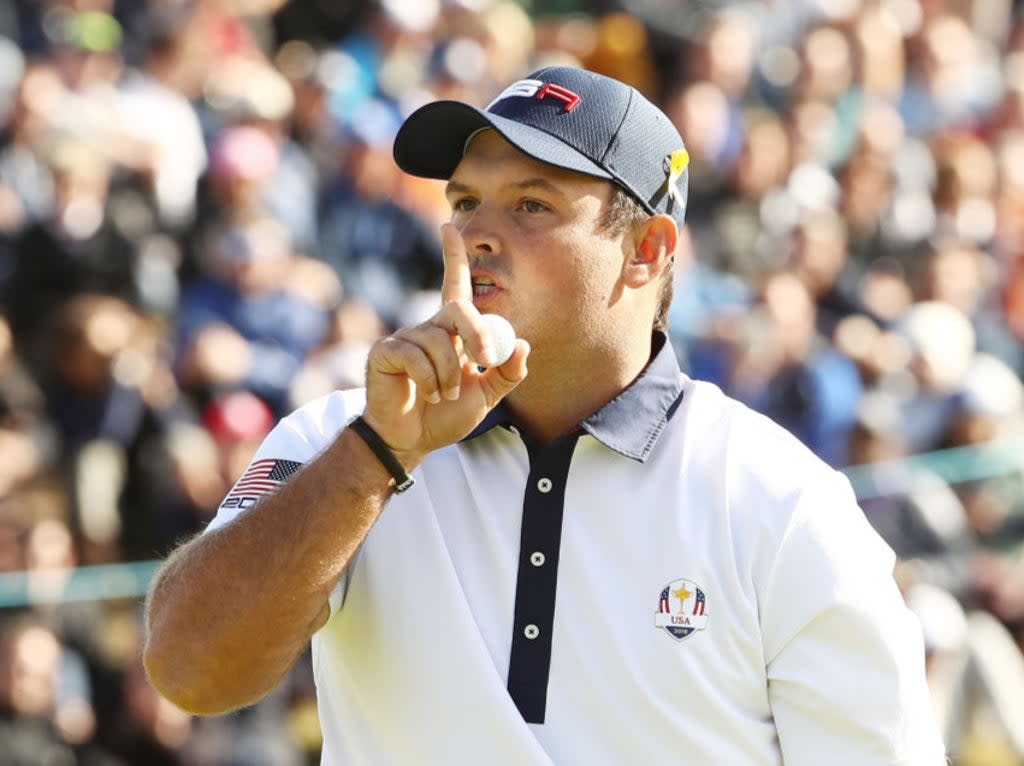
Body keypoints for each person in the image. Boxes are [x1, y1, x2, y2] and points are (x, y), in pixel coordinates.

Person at [143, 66, 945, 764]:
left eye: (531, 205)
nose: (475, 235)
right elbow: (189, 671)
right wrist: (378, 455)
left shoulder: (784, 502)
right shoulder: (339, 439)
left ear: (650, 250)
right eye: (464, 201)